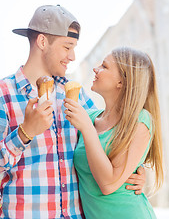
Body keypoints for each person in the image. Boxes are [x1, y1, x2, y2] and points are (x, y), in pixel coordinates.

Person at [0, 5, 145, 219]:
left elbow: (108, 141)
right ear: (42, 42)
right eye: (67, 47)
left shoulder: (75, 94)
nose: (73, 56)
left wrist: (135, 170)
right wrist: (24, 133)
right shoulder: (4, 95)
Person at [64, 47, 164, 219]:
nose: (96, 69)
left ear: (122, 82)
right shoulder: (90, 117)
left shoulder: (141, 120)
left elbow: (108, 184)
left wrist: (87, 129)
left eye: (104, 66)